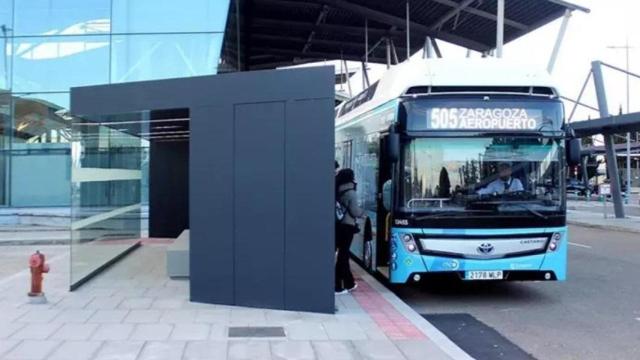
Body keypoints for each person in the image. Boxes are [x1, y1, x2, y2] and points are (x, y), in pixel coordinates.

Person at [335, 168, 364, 295]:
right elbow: (354, 211)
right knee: (343, 255)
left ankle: (349, 283)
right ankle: (337, 285)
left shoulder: (338, 188)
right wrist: (362, 213)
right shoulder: (351, 192)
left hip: (338, 225)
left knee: (343, 255)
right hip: (347, 226)